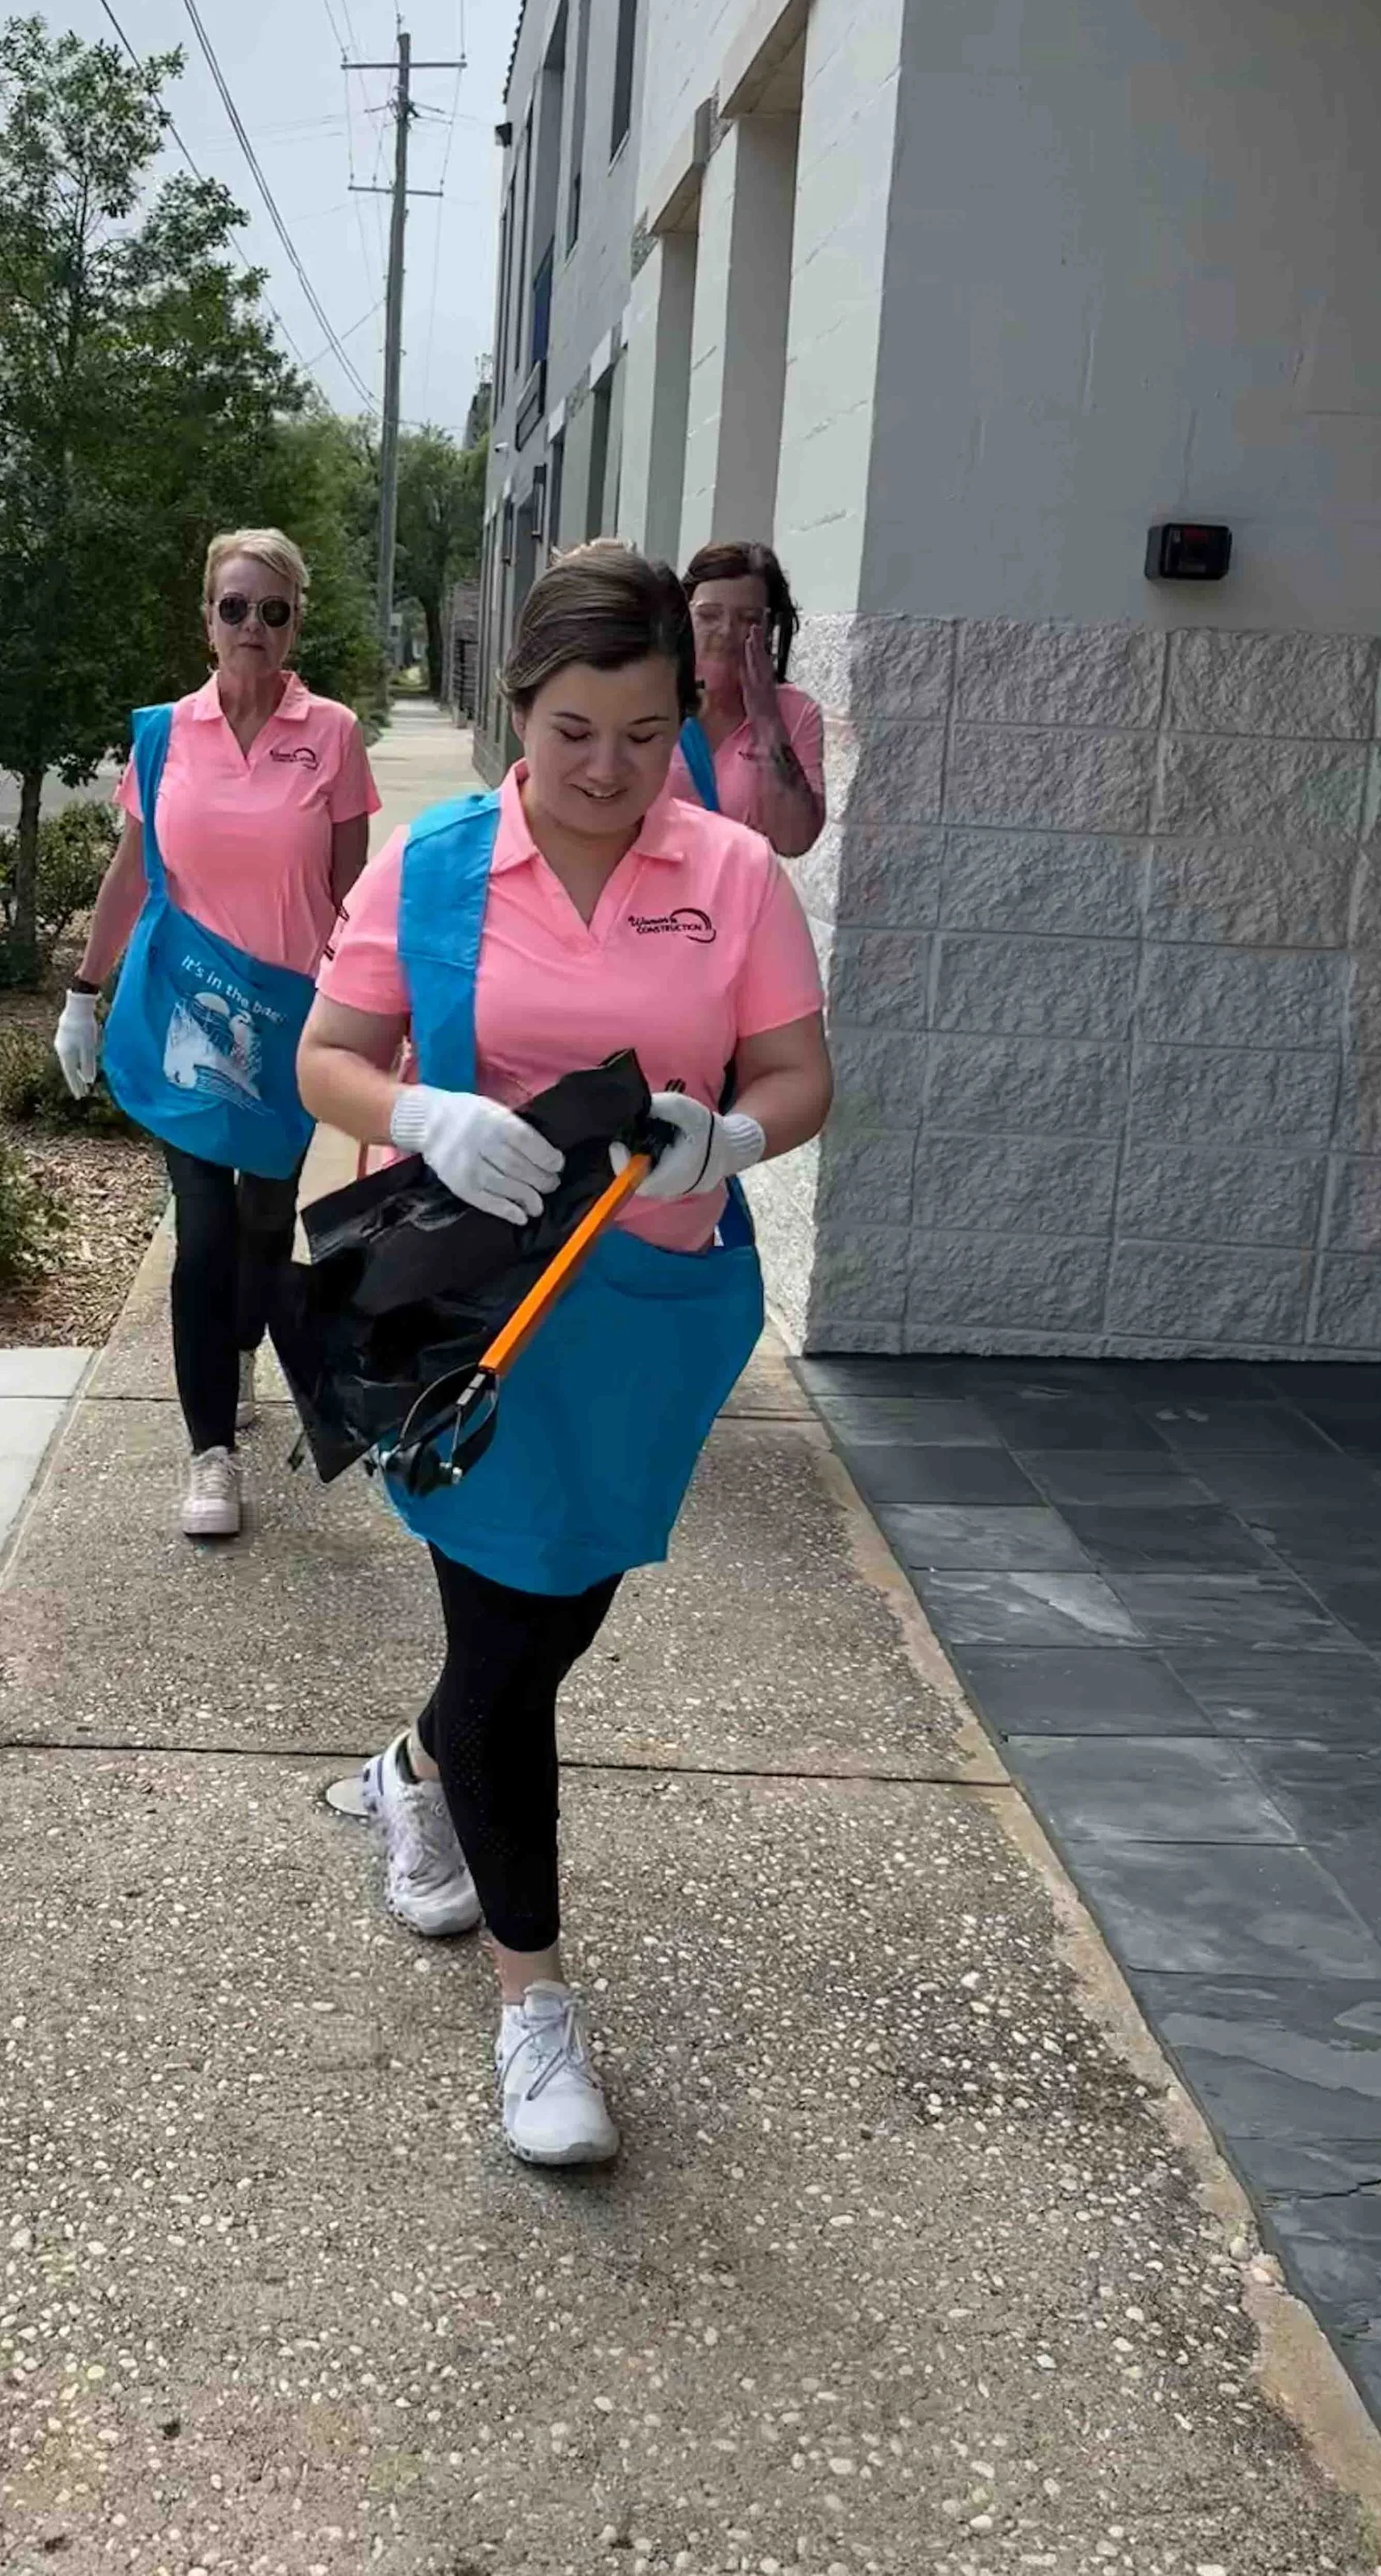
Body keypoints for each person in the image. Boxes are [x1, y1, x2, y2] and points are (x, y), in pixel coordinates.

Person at [298, 543, 832, 2168]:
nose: (609, 768)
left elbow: (806, 1075)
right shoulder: (436, 867)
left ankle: (410, 1766)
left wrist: (724, 1139)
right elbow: (331, 1057)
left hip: (657, 1320)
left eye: (646, 729)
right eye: (575, 728)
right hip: (483, 1329)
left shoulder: (732, 870)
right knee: (513, 1645)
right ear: (516, 709)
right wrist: (425, 1110)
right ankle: (534, 2010)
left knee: (555, 1617)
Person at [55, 528, 378, 1542]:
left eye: (273, 611)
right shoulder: (162, 735)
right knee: (201, 1229)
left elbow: (350, 902)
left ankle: (240, 1354)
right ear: (206, 615)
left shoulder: (330, 735)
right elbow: (132, 873)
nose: (253, 628)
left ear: (294, 624)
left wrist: (373, 1025)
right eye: (234, 608)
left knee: (261, 1220)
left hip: (285, 1027)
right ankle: (210, 1452)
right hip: (183, 1013)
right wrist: (82, 988)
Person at [663, 538, 825, 854]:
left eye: (748, 619)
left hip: (739, 898)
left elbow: (794, 841)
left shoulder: (795, 712)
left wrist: (767, 721)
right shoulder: (652, 696)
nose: (726, 631)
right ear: (684, 618)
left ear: (770, 628)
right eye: (709, 615)